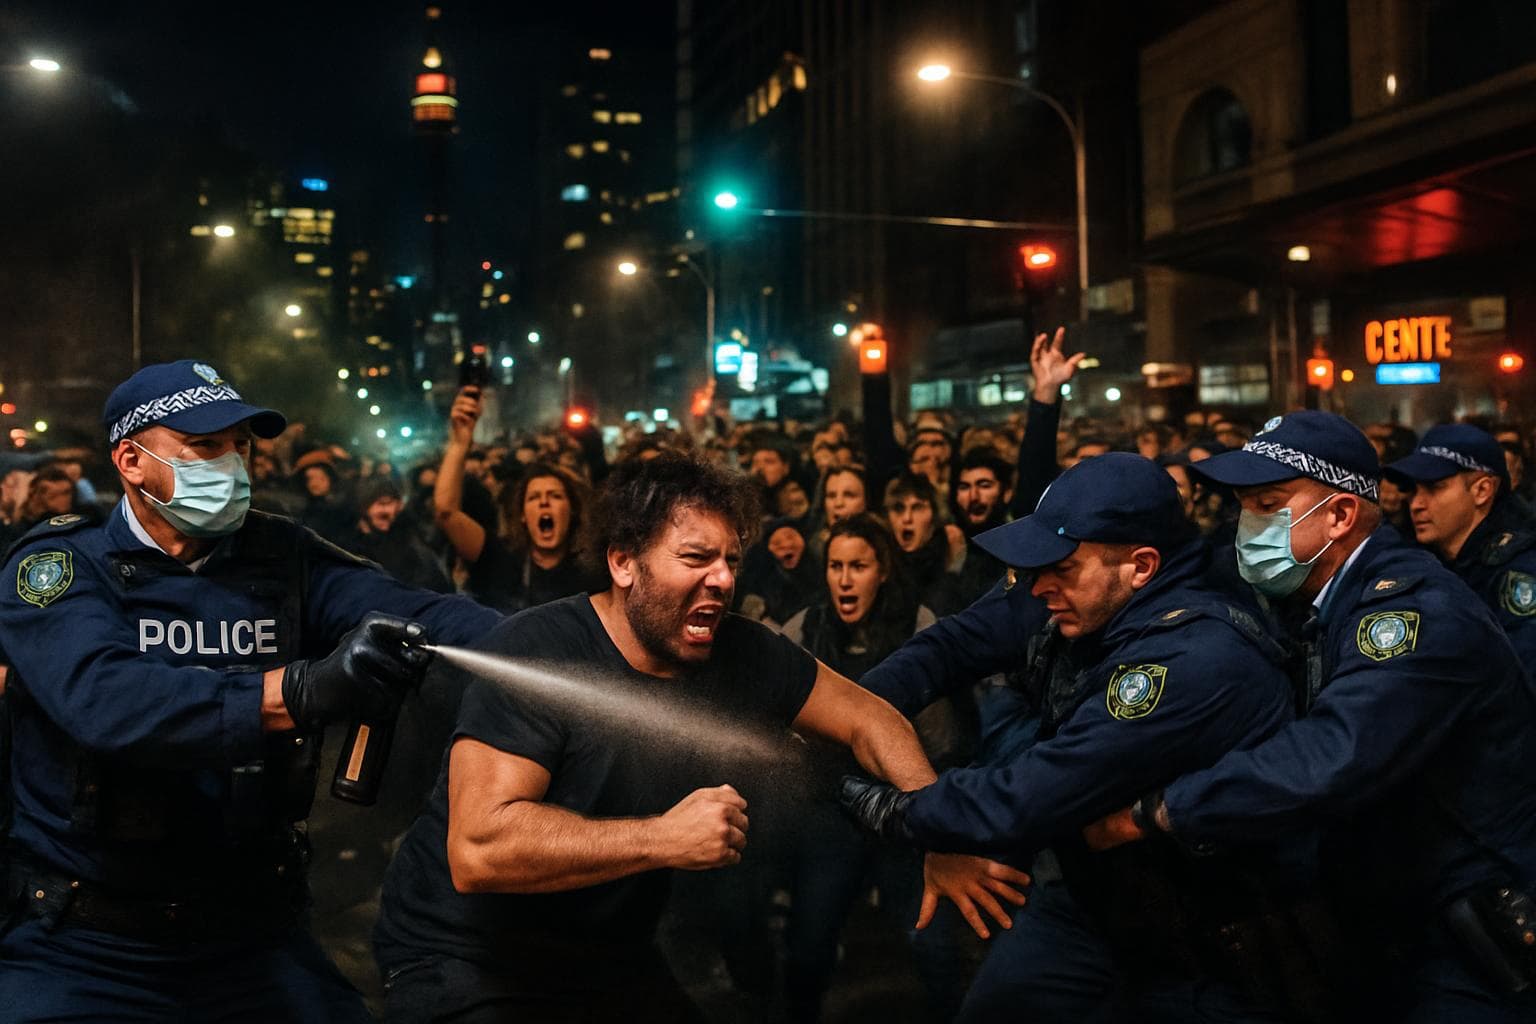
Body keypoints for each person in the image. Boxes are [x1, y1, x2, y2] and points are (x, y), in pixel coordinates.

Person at [373, 451, 1025, 1023]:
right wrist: (662, 836)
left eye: (730, 560)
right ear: (624, 561)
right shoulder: (538, 653)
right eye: (695, 558)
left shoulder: (737, 649)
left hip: (605, 952)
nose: (721, 578)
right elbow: (479, 849)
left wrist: (936, 828)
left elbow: (870, 718)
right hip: (465, 955)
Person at [0, 359, 503, 1022]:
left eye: (241, 446)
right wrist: (297, 690)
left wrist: (554, 643)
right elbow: (105, 699)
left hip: (253, 936)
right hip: (85, 945)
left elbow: (414, 610)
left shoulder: (278, 554)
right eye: (204, 447)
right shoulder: (60, 567)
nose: (232, 465)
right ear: (131, 460)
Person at [1091, 411, 1536, 1021]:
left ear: (1339, 516)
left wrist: (1162, 811)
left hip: (1467, 938)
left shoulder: (1411, 616)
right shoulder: (1321, 600)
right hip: (1398, 921)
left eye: (1269, 504)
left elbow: (1332, 754)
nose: (1248, 525)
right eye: (1244, 506)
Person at [842, 453, 1314, 1023]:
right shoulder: (1076, 585)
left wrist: (887, 806)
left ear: (1141, 566)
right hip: (1093, 904)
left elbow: (1030, 791)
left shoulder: (1194, 658)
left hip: (1211, 937)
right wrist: (849, 716)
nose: (1038, 587)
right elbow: (950, 647)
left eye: (1059, 569)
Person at [436, 387, 601, 613]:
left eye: (555, 496)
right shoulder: (499, 558)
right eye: (533, 497)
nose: (544, 502)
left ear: (572, 510)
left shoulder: (594, 574)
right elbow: (447, 512)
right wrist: (459, 443)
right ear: (523, 514)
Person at [1383, 424, 1536, 664]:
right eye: (1413, 489)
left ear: (1482, 490)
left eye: (1434, 487)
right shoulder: (1420, 559)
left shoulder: (1518, 571)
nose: (1416, 504)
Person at [341, 476, 453, 594]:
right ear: (364, 507)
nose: (388, 511)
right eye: (382, 503)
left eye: (391, 503)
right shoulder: (350, 546)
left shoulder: (409, 535)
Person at [884, 472, 965, 616]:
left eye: (917, 508)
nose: (907, 518)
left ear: (935, 517)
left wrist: (953, 569)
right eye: (898, 508)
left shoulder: (953, 562)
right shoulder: (882, 566)